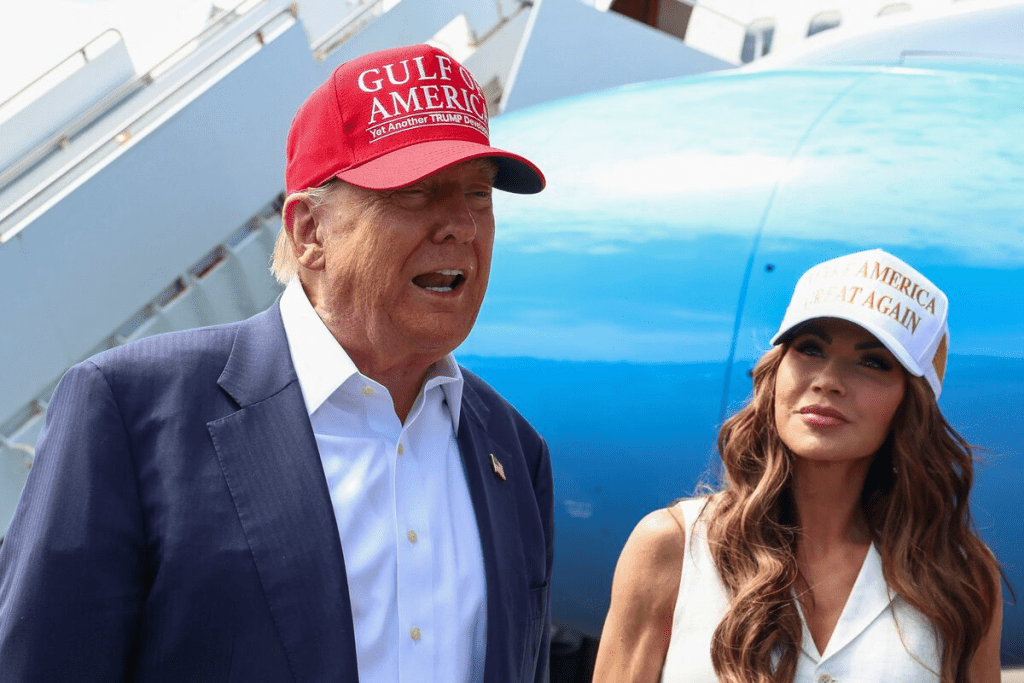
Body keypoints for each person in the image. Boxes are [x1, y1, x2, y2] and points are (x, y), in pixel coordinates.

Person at [0, 44, 553, 683]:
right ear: (309, 231)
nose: (460, 225)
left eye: (478, 194)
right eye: (413, 194)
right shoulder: (129, 412)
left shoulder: (514, 451)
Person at [592, 249, 1003, 683]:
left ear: (911, 402)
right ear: (775, 374)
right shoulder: (673, 546)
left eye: (872, 362)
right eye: (809, 349)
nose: (827, 380)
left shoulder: (961, 578)